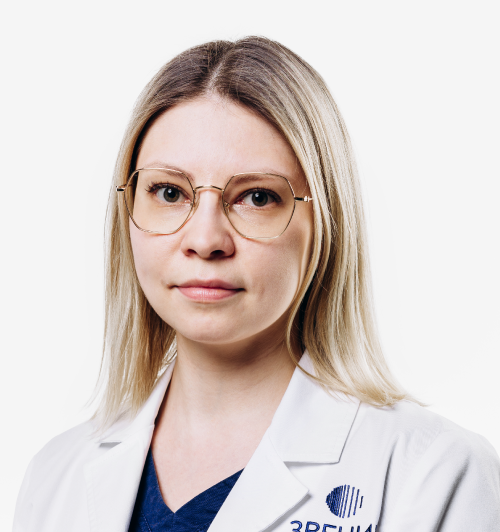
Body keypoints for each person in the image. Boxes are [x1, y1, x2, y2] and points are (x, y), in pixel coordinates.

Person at [13, 36, 500, 532]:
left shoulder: (433, 475)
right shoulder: (56, 478)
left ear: (325, 222)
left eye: (258, 197)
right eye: (169, 192)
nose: (205, 240)